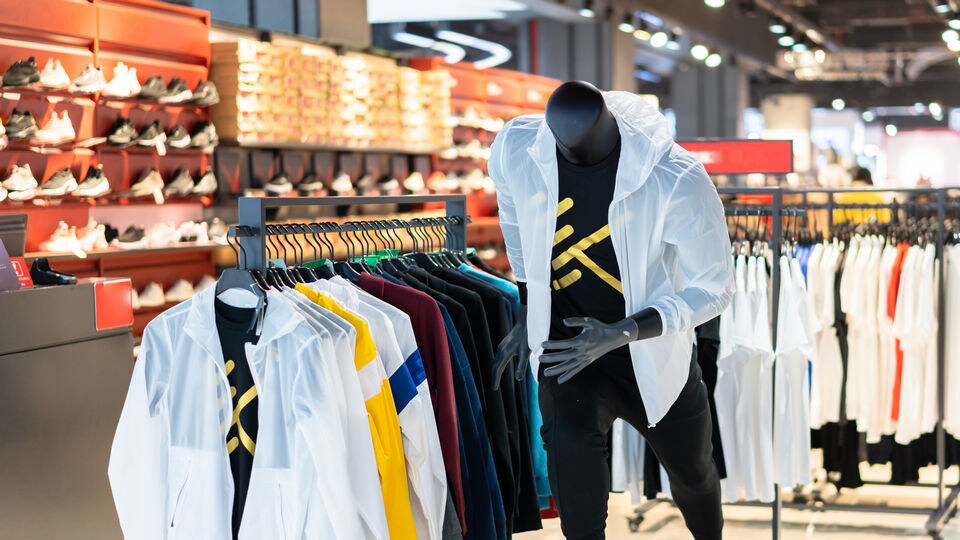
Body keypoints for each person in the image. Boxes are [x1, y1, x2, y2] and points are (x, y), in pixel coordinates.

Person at [488, 81, 734, 540]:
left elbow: (715, 287)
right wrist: (527, 309)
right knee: (579, 518)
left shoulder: (674, 175)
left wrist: (623, 331)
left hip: (655, 359)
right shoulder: (517, 149)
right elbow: (514, 220)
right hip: (568, 357)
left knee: (695, 479)